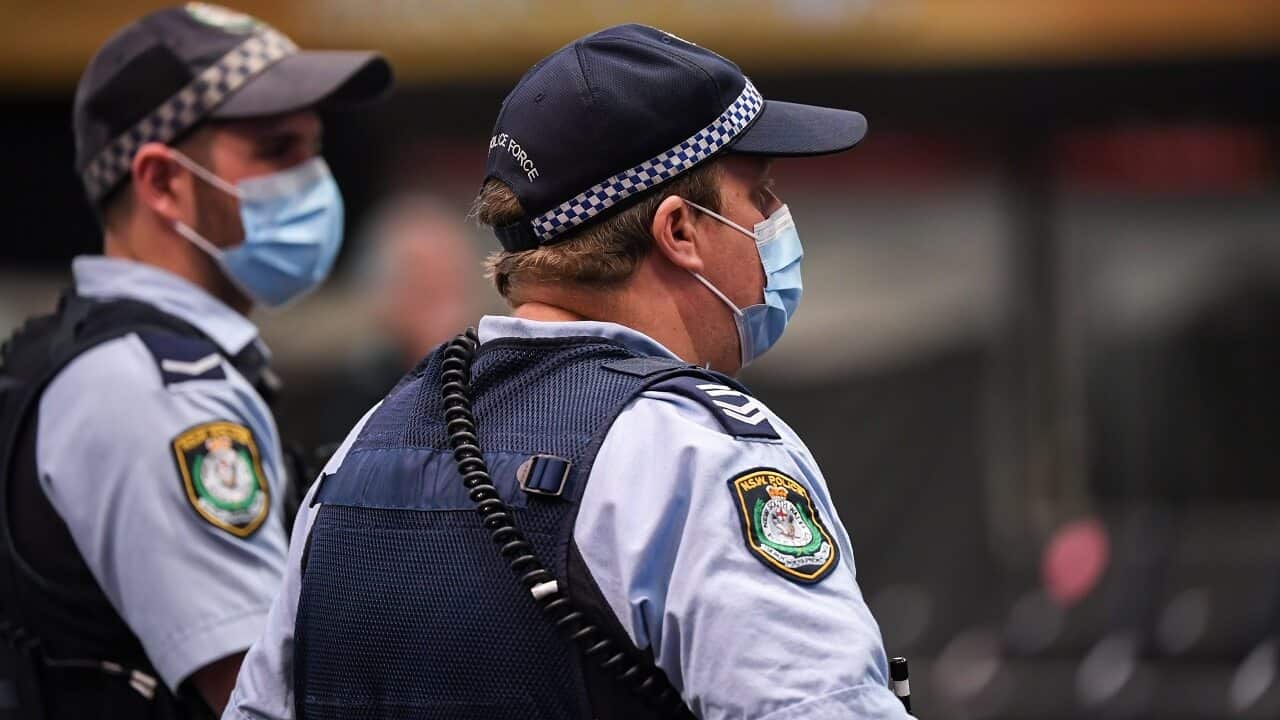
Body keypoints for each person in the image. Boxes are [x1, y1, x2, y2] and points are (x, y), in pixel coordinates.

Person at [225, 23, 912, 720]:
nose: (776, 221)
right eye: (760, 194)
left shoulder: (367, 447)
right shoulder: (699, 456)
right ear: (679, 232)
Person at [0, 4, 391, 718]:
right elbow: (264, 699)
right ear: (162, 182)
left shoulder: (102, 356)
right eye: (277, 150)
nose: (315, 180)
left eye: (314, 146)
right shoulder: (155, 391)